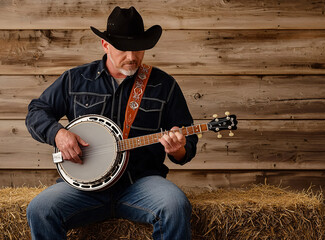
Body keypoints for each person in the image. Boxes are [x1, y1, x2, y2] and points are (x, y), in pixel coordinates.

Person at [25, 6, 198, 240]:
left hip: (141, 185)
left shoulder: (163, 85)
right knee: (41, 209)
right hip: (84, 190)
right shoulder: (76, 80)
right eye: (123, 48)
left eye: (138, 48)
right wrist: (58, 134)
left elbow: (187, 145)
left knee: (175, 205)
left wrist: (178, 149)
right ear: (105, 45)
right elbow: (37, 111)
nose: (132, 57)